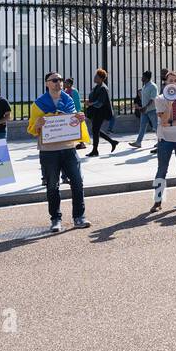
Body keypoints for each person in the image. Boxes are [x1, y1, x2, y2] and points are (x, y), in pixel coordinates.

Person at [29, 71, 91, 233]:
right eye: (55, 80)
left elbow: (73, 119)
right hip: (49, 151)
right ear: (47, 84)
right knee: (52, 186)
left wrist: (80, 118)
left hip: (68, 148)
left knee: (77, 182)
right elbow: (31, 129)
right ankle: (55, 219)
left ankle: (79, 216)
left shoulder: (68, 100)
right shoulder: (38, 104)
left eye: (61, 80)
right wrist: (38, 123)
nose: (59, 83)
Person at [149, 70, 176, 213]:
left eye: (175, 80)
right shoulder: (160, 99)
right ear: (165, 83)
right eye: (170, 80)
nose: (173, 82)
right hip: (165, 139)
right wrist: (169, 104)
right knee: (162, 170)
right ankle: (158, 200)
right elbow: (163, 120)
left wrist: (173, 124)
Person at [83, 69, 119, 156]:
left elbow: (100, 102)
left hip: (101, 112)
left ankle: (95, 150)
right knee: (95, 129)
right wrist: (89, 101)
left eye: (96, 76)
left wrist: (90, 103)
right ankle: (112, 142)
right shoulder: (96, 87)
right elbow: (95, 99)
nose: (94, 77)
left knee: (95, 130)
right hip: (96, 112)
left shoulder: (103, 88)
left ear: (101, 78)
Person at [130, 70, 159, 149]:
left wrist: (145, 107)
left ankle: (161, 141)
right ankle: (138, 142)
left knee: (156, 126)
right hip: (144, 110)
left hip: (152, 110)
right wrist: (142, 107)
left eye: (143, 77)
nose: (141, 78)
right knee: (142, 127)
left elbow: (153, 99)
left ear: (146, 77)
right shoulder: (145, 86)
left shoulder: (153, 86)